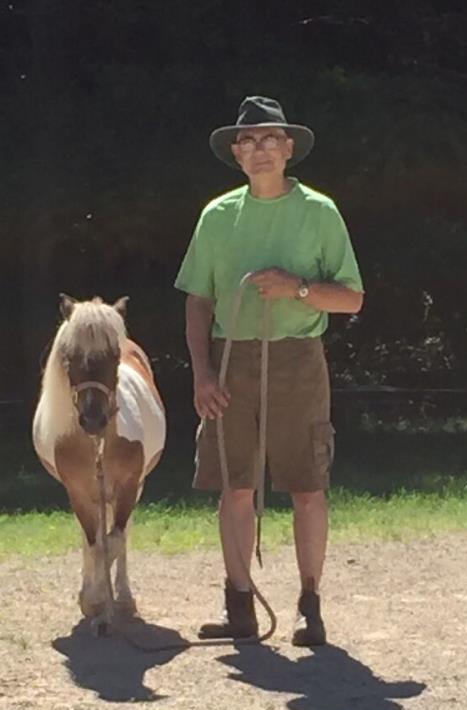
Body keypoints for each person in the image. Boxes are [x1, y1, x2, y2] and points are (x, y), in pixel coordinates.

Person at [174, 96, 364, 646]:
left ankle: (310, 607)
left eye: (269, 140)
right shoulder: (217, 216)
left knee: (308, 486)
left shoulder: (320, 212)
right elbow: (197, 302)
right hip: (229, 359)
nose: (259, 150)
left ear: (288, 149)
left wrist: (297, 289)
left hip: (298, 362)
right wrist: (202, 375)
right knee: (234, 487)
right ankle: (240, 607)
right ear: (237, 153)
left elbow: (352, 300)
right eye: (248, 141)